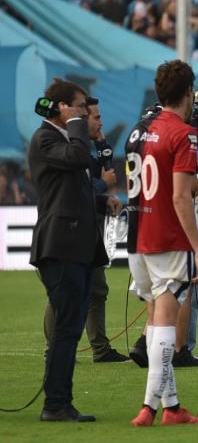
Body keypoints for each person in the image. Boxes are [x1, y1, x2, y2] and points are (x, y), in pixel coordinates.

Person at [126, 60, 198, 426]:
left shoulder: (139, 130)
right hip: (168, 238)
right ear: (189, 93)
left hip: (136, 236)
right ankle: (149, 407)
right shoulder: (183, 133)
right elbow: (180, 197)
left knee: (157, 317)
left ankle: (173, 406)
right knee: (165, 322)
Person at [29, 78, 109, 422]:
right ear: (61, 107)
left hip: (76, 246)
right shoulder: (46, 137)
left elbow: (74, 188)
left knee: (71, 326)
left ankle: (61, 400)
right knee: (66, 327)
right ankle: (55, 403)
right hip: (60, 246)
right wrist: (77, 123)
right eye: (78, 106)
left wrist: (104, 201)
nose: (84, 112)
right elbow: (77, 158)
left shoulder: (61, 138)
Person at [43, 96, 128, 363]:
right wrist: (103, 187)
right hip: (67, 234)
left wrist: (105, 199)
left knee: (97, 289)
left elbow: (94, 188)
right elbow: (76, 194)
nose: (101, 122)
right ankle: (53, 348)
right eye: (96, 117)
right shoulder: (67, 152)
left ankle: (100, 348)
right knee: (64, 291)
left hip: (88, 233)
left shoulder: (88, 154)